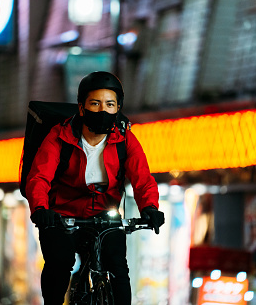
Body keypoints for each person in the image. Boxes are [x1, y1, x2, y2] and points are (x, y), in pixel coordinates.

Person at [26, 71, 165, 304]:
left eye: (110, 104)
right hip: (62, 216)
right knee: (59, 266)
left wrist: (150, 207)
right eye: (95, 103)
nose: (103, 110)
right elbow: (39, 177)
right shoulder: (59, 136)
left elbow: (142, 178)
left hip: (105, 215)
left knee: (118, 269)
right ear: (81, 108)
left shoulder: (126, 138)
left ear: (117, 109)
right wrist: (41, 209)